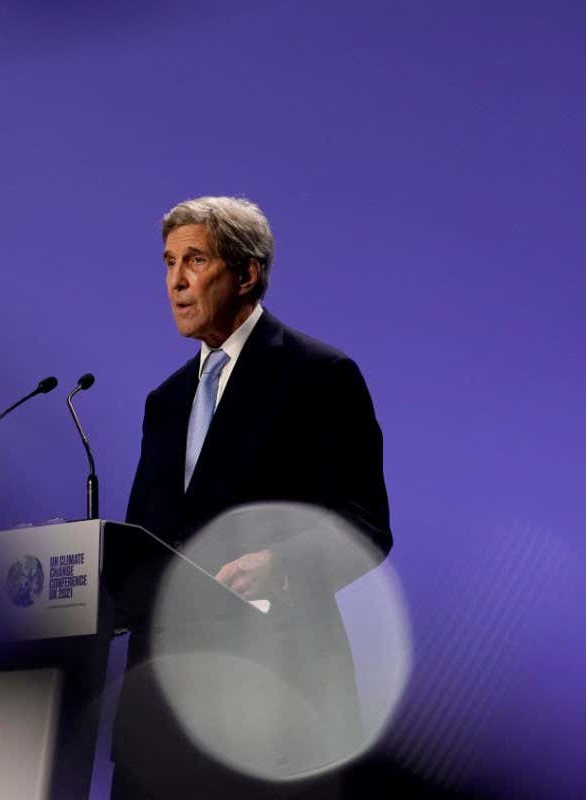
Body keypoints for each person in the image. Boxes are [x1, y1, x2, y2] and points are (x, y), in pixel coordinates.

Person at [110, 196, 392, 799]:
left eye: (195, 260)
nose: (176, 282)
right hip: (159, 704)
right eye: (167, 262)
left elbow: (365, 524)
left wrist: (281, 565)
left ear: (246, 273)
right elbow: (148, 536)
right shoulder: (164, 402)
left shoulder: (319, 375)